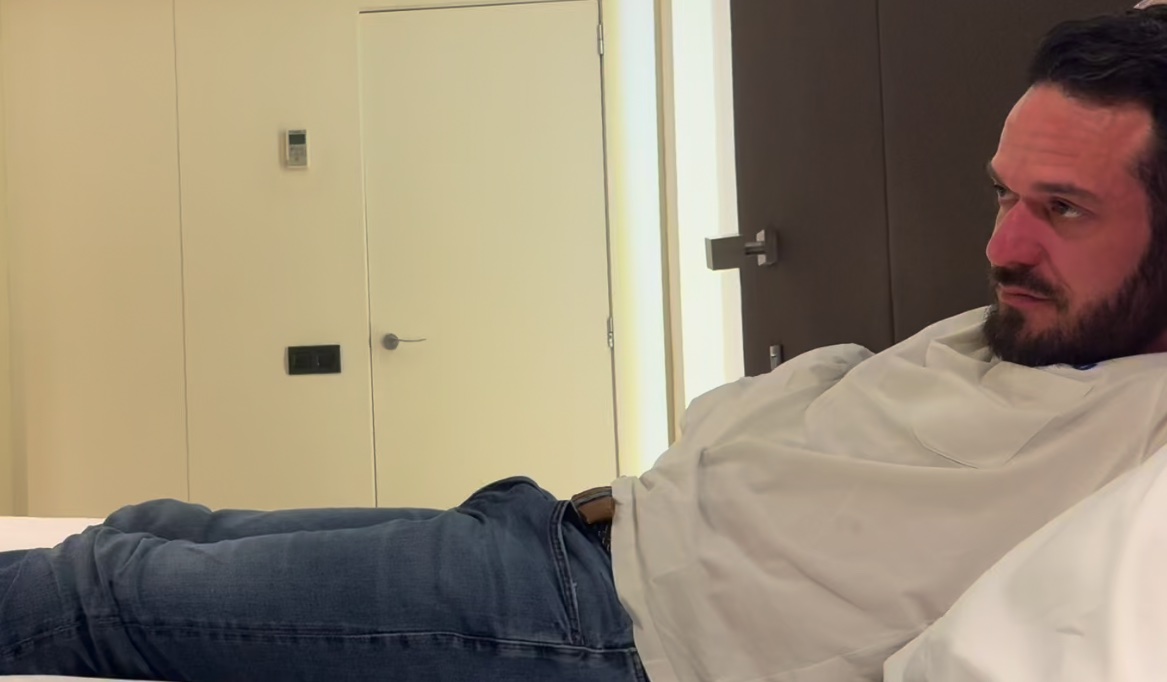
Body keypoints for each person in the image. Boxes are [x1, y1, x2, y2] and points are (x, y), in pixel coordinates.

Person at [4, 6, 1167, 682]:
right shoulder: (1032, 324)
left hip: (594, 628)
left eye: (1063, 208)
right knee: (164, 527)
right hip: (568, 526)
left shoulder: (1140, 435)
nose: (1003, 242)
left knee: (115, 590)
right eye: (1004, 194)